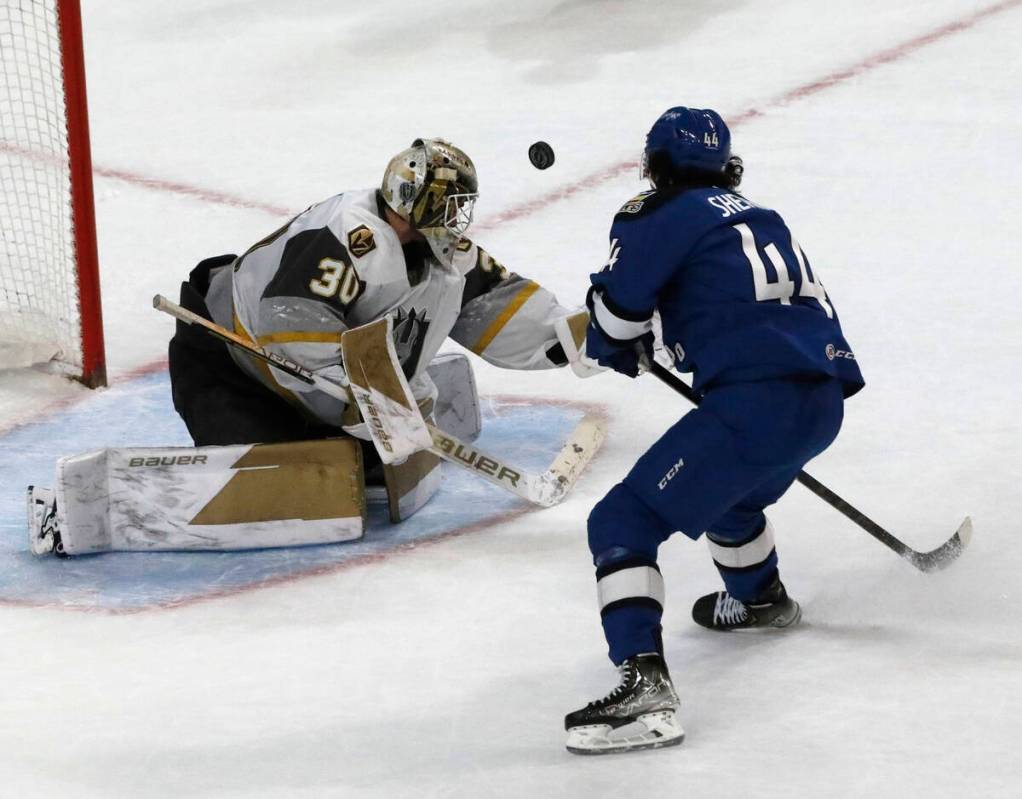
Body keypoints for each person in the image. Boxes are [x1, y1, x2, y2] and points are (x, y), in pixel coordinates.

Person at [28, 138, 585, 557]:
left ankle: (355, 421)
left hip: (307, 379)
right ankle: (81, 508)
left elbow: (497, 302)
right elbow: (290, 327)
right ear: (412, 203)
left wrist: (578, 336)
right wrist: (362, 402)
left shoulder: (443, 250)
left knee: (364, 470)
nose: (457, 217)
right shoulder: (346, 235)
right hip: (229, 361)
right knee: (299, 480)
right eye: (448, 204)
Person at [563, 107, 865, 755]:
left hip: (755, 403)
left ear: (655, 165)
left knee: (622, 521)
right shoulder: (759, 215)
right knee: (731, 496)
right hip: (823, 398)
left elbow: (614, 325)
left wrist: (620, 338)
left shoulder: (657, 213)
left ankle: (644, 688)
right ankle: (760, 600)